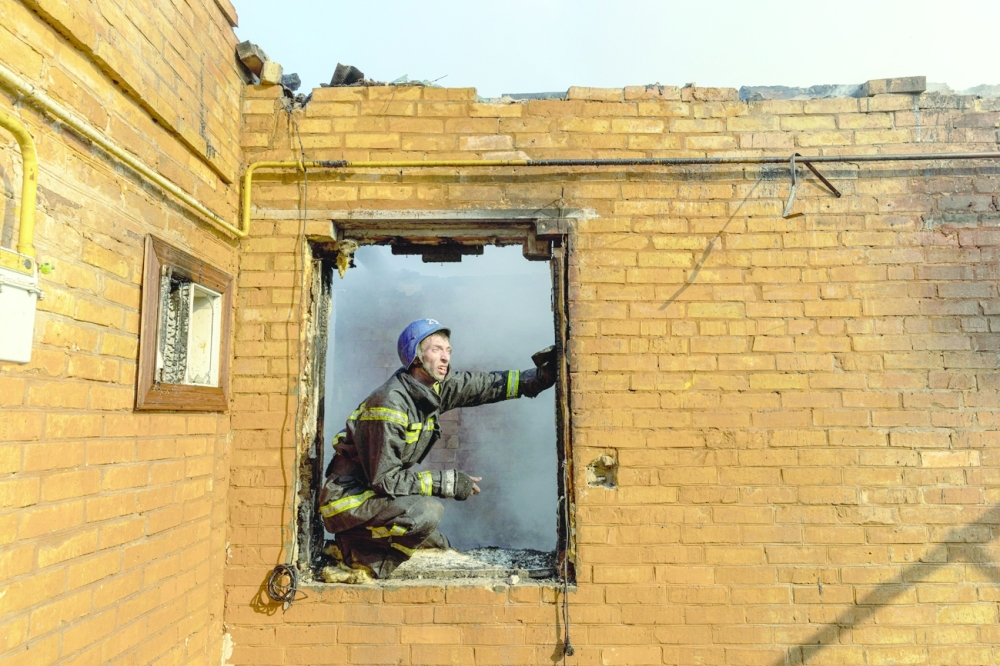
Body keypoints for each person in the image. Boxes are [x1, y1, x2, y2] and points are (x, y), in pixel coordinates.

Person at [318, 318, 556, 579]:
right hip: (349, 501)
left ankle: (366, 550)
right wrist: (447, 482)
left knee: (438, 546)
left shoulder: (431, 391)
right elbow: (384, 479)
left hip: (378, 499)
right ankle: (355, 553)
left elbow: (483, 385)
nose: (445, 358)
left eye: (448, 351)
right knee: (427, 513)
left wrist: (539, 378)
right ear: (416, 357)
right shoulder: (389, 405)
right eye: (436, 350)